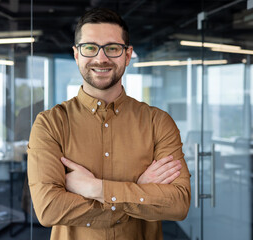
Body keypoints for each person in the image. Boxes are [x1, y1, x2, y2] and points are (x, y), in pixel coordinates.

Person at [27, 8, 191, 240]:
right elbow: (49, 209)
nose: (101, 58)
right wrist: (137, 190)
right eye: (90, 47)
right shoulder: (50, 124)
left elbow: (178, 204)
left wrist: (97, 189)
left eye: (112, 48)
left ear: (127, 54)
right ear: (76, 54)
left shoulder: (158, 122)